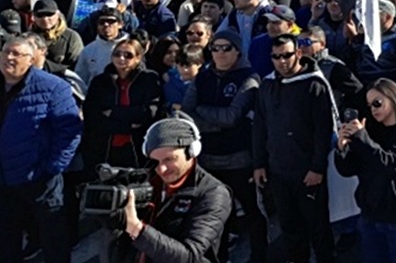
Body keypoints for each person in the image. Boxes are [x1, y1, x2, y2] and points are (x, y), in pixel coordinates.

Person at [182, 29, 266, 263]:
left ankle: (260, 256)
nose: (220, 53)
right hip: (208, 159)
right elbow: (186, 114)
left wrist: (202, 112)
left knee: (252, 212)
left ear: (238, 51)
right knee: (215, 215)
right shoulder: (203, 76)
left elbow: (232, 116)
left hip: (240, 158)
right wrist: (212, 122)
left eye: (226, 48)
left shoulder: (249, 78)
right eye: (215, 48)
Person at [252, 34, 337, 263]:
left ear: (298, 53)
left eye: (287, 55)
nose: (282, 61)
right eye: (276, 57)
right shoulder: (267, 85)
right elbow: (260, 126)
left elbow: (323, 130)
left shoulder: (314, 84)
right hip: (278, 170)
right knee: (289, 227)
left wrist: (318, 168)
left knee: (318, 226)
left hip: (308, 171)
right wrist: (259, 163)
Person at [0, 35, 83, 263]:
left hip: (40, 179)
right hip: (4, 180)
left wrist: (53, 167)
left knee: (53, 239)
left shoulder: (53, 87)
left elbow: (70, 131)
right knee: (7, 239)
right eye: (6, 51)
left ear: (31, 59)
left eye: (17, 54)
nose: (9, 57)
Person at [109, 117, 233, 263]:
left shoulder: (213, 193)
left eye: (169, 159)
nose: (161, 169)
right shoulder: (148, 181)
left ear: (192, 152)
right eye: (156, 161)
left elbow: (190, 256)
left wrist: (136, 228)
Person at [335, 78, 396, 262]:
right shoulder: (370, 130)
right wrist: (342, 148)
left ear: (394, 99)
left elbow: (392, 164)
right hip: (372, 215)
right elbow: (347, 169)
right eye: (370, 105)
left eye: (378, 103)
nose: (373, 109)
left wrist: (362, 138)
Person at [82, 37, 164, 171]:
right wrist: (128, 125)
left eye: (128, 55)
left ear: (138, 58)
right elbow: (93, 114)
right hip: (105, 146)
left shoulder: (149, 79)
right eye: (117, 54)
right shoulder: (100, 81)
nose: (121, 58)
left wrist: (113, 112)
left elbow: (149, 112)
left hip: (138, 147)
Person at [75, 6, 128, 88]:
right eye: (102, 22)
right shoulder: (88, 50)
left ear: (120, 24)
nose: (106, 25)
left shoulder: (131, 48)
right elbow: (80, 79)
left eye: (111, 21)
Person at [30, 0, 84, 73]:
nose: (45, 19)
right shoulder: (28, 37)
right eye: (40, 15)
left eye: (49, 14)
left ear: (58, 14)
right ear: (33, 17)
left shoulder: (71, 37)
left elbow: (78, 66)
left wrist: (47, 66)